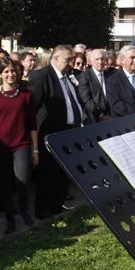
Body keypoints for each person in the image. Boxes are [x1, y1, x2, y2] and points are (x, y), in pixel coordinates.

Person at [0, 57, 38, 233]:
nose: (10, 74)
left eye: (13, 70)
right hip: (1, 147)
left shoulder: (26, 94)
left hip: (22, 144)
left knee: (22, 181)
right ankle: (9, 219)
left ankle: (24, 212)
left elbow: (32, 123)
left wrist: (35, 149)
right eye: (6, 71)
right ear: (0, 74)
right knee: (5, 184)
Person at [29, 44, 84, 217]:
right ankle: (43, 210)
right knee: (48, 174)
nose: (71, 63)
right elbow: (31, 109)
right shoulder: (42, 76)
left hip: (69, 132)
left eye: (72, 60)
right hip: (50, 133)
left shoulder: (68, 77)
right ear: (55, 58)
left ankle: (57, 205)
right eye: (68, 60)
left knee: (64, 172)